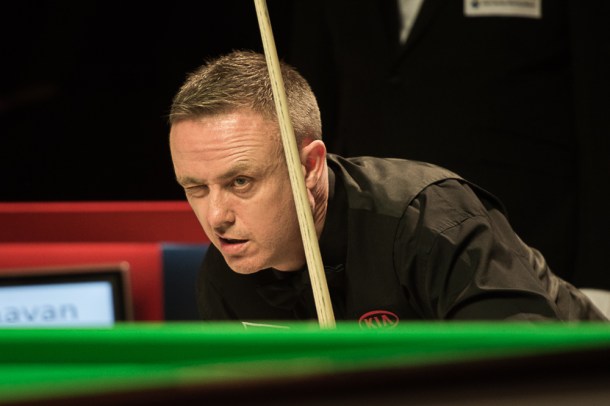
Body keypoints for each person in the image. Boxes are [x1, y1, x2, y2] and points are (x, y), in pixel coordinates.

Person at [168, 50, 605, 323]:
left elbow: (523, 379)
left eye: (241, 181)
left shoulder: (430, 221)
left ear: (310, 166)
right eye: (196, 188)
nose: (216, 217)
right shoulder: (224, 278)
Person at [285, 0, 610, 290]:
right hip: (371, 262)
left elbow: (598, 113)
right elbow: (310, 105)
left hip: (522, 254)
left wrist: (600, 280)